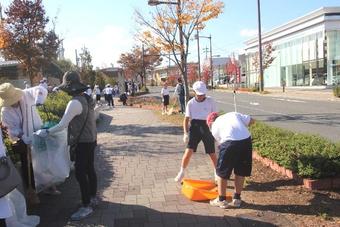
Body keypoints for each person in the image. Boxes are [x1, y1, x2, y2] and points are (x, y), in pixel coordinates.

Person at [35, 71, 98, 221]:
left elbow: (62, 125)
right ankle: (92, 198)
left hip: (82, 142)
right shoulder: (87, 98)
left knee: (80, 173)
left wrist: (46, 132)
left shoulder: (74, 102)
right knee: (89, 169)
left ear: (70, 87)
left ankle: (86, 205)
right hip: (92, 139)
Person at [0, 83, 49, 204]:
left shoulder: (26, 94)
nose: (13, 103)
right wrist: (23, 136)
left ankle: (49, 186)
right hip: (23, 140)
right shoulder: (5, 111)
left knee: (43, 160)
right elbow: (11, 128)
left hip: (37, 133)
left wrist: (39, 98)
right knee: (27, 165)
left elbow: (41, 89)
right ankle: (31, 190)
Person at [206, 111, 255, 209]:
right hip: (246, 141)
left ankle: (221, 200)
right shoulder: (234, 114)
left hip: (229, 142)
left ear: (210, 122)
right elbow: (252, 121)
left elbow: (221, 144)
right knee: (240, 171)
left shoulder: (214, 127)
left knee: (222, 172)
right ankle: (237, 199)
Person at [174, 81, 218, 182]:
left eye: (203, 94)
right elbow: (186, 119)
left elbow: (215, 116)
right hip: (195, 127)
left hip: (208, 127)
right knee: (188, 151)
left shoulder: (211, 101)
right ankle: (181, 172)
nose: (201, 96)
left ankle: (217, 172)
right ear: (194, 92)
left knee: (212, 152)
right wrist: (185, 133)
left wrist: (216, 132)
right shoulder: (191, 103)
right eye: (199, 94)